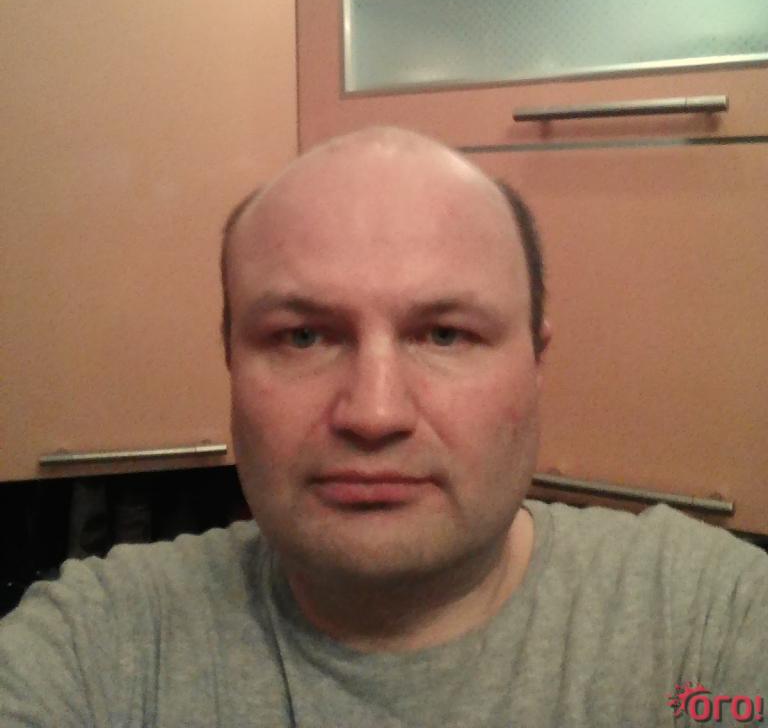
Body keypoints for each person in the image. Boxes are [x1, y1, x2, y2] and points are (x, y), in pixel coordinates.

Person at [1, 125, 765, 727]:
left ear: (536, 361)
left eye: (445, 335)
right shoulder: (93, 651)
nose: (374, 414)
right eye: (303, 336)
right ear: (230, 360)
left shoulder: (709, 624)